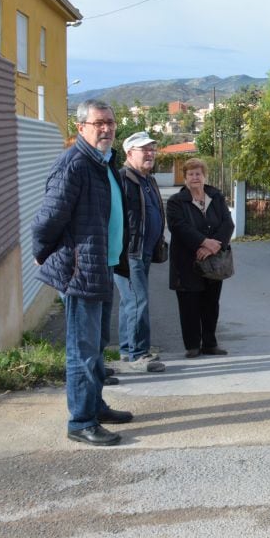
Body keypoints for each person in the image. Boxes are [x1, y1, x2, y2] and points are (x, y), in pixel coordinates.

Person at [32, 100, 134, 446]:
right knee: (83, 350)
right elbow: (48, 217)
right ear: (81, 128)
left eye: (110, 122)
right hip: (81, 271)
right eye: (98, 123)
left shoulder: (102, 162)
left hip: (102, 267)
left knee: (98, 345)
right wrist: (41, 253)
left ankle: (96, 405)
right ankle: (81, 421)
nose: (106, 128)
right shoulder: (75, 164)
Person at [166, 158, 234, 358]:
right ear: (185, 178)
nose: (195, 177)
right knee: (189, 304)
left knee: (211, 303)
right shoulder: (176, 202)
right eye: (191, 174)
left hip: (213, 261)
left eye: (198, 174)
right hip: (187, 261)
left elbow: (227, 224)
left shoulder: (216, 196)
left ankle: (210, 343)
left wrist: (214, 246)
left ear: (204, 176)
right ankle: (193, 345)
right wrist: (204, 242)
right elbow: (179, 227)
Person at [114, 131, 167, 373]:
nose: (150, 153)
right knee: (137, 301)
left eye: (152, 149)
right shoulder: (123, 179)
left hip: (143, 251)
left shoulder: (147, 179)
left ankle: (127, 350)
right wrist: (122, 251)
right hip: (130, 253)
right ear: (129, 153)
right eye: (144, 149)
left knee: (131, 302)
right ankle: (138, 354)